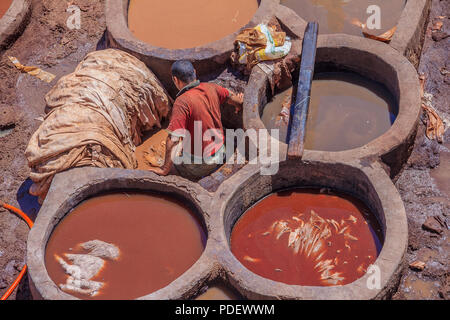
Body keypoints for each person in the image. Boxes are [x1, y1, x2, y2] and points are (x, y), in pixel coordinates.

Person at [147, 60, 243, 179]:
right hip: (220, 152)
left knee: (174, 168)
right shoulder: (211, 87)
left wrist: (165, 169)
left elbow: (173, 139)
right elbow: (231, 97)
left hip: (200, 164)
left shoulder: (182, 102)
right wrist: (239, 104)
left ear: (175, 80)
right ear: (195, 72)